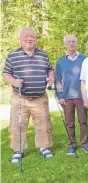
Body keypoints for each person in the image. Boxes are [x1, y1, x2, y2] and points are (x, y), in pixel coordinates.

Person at [3, 27, 54, 163]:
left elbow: (50, 70)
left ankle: (44, 147)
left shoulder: (43, 54)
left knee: (43, 123)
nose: (29, 39)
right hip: (20, 97)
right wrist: (14, 81)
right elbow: (6, 73)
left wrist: (50, 77)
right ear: (20, 39)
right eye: (26, 37)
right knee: (18, 124)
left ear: (35, 39)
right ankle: (18, 150)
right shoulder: (13, 55)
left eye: (32, 36)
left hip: (40, 97)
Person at [55, 35, 88, 155]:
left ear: (76, 43)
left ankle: (85, 144)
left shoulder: (85, 59)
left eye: (73, 41)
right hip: (67, 97)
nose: (71, 44)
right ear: (65, 44)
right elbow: (58, 80)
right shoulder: (60, 61)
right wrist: (60, 96)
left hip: (82, 96)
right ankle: (71, 144)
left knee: (83, 121)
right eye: (69, 42)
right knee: (69, 122)